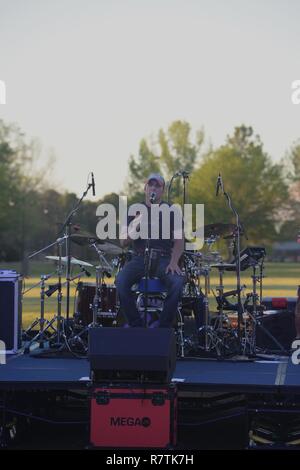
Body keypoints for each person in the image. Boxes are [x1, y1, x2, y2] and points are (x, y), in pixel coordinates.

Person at [116, 173, 185, 328]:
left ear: (162, 190)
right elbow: (123, 242)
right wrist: (138, 223)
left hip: (164, 259)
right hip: (140, 258)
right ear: (145, 188)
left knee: (177, 282)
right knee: (120, 282)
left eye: (157, 185)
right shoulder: (134, 211)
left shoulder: (171, 211)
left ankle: (163, 327)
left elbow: (180, 241)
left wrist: (174, 262)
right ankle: (136, 325)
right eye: (150, 185)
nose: (153, 188)